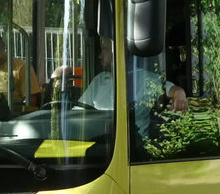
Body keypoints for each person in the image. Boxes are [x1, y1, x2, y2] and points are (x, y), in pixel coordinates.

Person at [54, 38, 187, 136]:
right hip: (101, 145)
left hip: (134, 150)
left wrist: (179, 93)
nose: (100, 56)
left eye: (104, 49)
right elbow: (79, 112)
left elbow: (172, 90)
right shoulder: (100, 79)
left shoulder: (147, 79)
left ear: (119, 52)